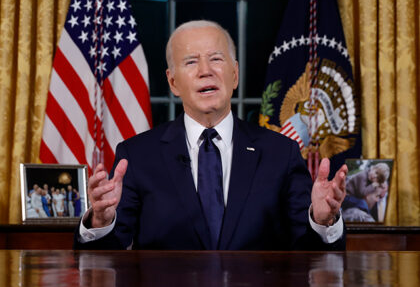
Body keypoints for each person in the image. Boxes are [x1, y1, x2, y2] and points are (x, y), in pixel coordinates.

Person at [74, 20, 348, 251]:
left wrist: (323, 221)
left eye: (216, 59)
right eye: (191, 62)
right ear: (173, 82)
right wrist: (100, 222)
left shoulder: (281, 152)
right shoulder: (137, 155)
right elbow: (104, 256)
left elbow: (312, 250)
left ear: (235, 74)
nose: (206, 71)